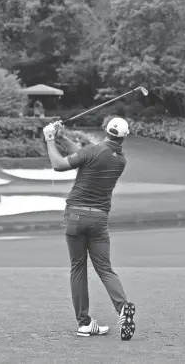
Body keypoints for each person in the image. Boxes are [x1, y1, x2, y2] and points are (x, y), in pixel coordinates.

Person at [43, 117, 136, 340]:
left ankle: (84, 323)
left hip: (75, 216)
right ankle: (122, 307)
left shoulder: (93, 151)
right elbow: (84, 154)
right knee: (105, 268)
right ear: (124, 137)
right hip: (99, 220)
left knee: (78, 267)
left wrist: (49, 138)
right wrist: (62, 137)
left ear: (106, 130)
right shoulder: (120, 160)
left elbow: (59, 164)